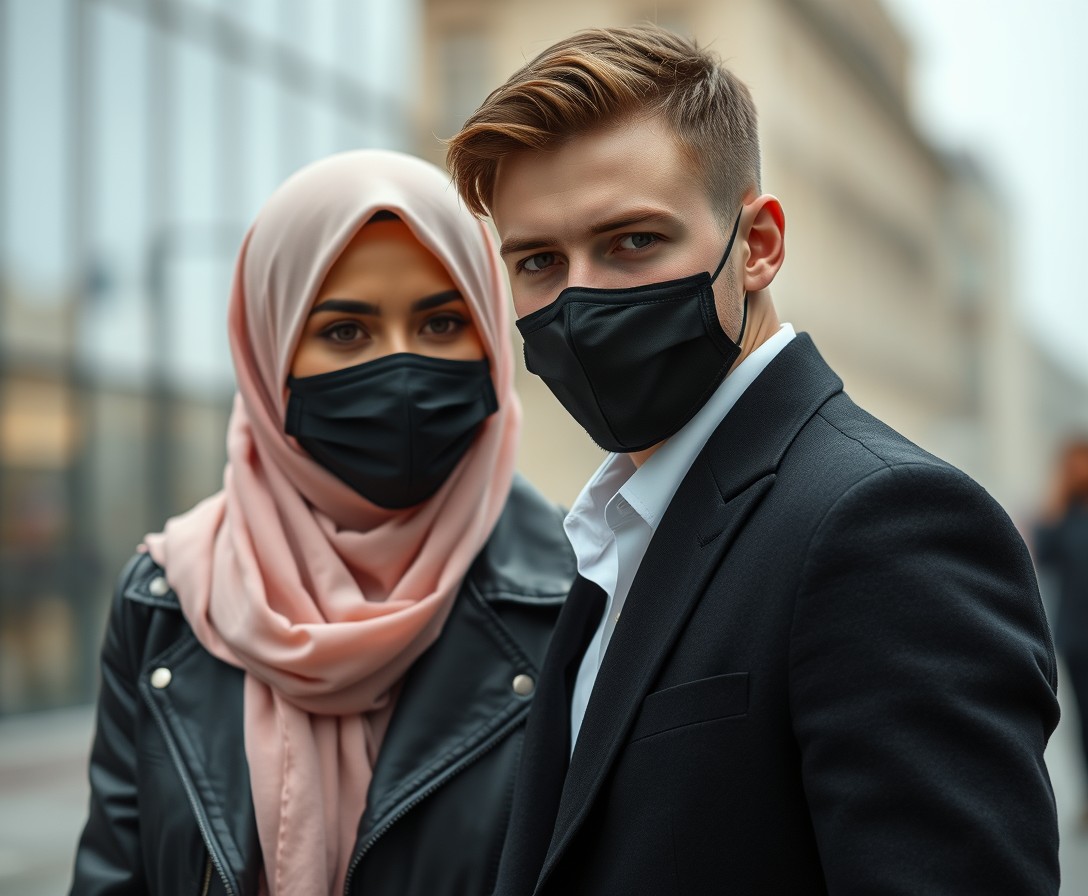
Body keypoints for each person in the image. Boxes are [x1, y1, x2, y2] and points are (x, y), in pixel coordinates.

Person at [446, 24, 1060, 894]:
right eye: (539, 261)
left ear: (760, 246)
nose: (578, 300)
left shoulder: (886, 525)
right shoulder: (619, 531)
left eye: (632, 242)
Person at [68, 150, 575, 896]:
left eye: (440, 322)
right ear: (271, 351)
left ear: (492, 342)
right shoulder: (165, 598)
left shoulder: (584, 593)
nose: (402, 367)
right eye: (345, 332)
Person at [1035, 436, 1088, 828]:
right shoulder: (1062, 515)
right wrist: (1055, 497)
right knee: (1084, 722)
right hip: (1077, 636)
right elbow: (1043, 553)